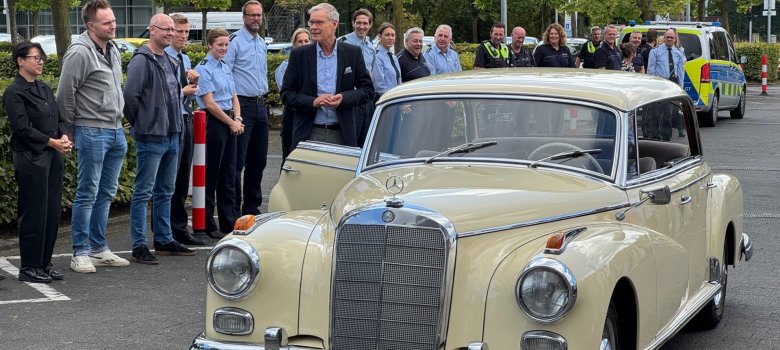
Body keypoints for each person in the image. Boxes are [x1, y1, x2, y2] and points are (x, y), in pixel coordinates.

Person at [57, 0, 129, 273]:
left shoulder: (113, 50)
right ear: (90, 26)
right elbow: (65, 94)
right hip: (91, 130)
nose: (113, 25)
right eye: (107, 22)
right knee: (87, 192)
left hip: (115, 130)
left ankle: (99, 248)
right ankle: (80, 252)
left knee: (107, 192)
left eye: (113, 20)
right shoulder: (79, 52)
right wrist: (70, 130)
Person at [124, 14, 195, 265]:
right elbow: (130, 97)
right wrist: (141, 121)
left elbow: (177, 95)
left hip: (173, 133)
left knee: (166, 190)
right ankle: (139, 244)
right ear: (151, 30)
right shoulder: (142, 60)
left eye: (173, 29)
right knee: (143, 192)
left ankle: (164, 240)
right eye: (167, 29)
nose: (171, 33)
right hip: (152, 135)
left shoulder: (169, 60)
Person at [3, 41, 71, 283]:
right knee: (34, 212)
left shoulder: (43, 88)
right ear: (21, 61)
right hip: (31, 157)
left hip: (52, 156)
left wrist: (64, 137)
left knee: (52, 211)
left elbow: (59, 117)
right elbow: (22, 128)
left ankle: (44, 263)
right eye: (36, 57)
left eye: (42, 57)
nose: (41, 61)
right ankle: (29, 266)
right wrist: (51, 142)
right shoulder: (14, 92)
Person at [281, 3, 374, 150]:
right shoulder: (300, 55)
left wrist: (343, 98)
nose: (313, 27)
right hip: (309, 132)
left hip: (342, 133)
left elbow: (367, 91)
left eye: (319, 22)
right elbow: (286, 94)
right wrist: (313, 101)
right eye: (311, 22)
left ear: (334, 24)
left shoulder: (352, 53)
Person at [195, 28, 243, 239]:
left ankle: (228, 221)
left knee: (229, 174)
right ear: (209, 45)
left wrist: (238, 119)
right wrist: (231, 122)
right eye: (219, 45)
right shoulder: (204, 69)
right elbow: (210, 103)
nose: (224, 48)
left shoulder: (225, 66)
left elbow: (234, 95)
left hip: (231, 120)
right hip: (215, 121)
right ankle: (207, 223)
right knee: (211, 174)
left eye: (226, 45)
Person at [224, 0, 269, 216]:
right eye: (251, 15)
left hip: (261, 105)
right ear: (244, 18)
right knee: (237, 162)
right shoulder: (235, 41)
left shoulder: (261, 42)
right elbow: (226, 73)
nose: (255, 19)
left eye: (258, 15)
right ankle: (233, 212)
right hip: (241, 105)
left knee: (258, 161)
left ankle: (252, 208)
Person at [166, 14, 203, 246]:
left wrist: (193, 82)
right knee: (169, 179)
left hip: (186, 118)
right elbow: (163, 93)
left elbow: (189, 90)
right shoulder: (163, 59)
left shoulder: (185, 59)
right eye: (179, 31)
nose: (182, 36)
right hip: (171, 120)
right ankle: (168, 229)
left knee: (182, 179)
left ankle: (179, 227)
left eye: (186, 32)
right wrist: (184, 91)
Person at [339, 8, 376, 146]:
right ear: (353, 23)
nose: (362, 26)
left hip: (366, 99)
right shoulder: (343, 43)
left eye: (365, 23)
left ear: (370, 25)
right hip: (351, 98)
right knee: (351, 140)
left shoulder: (371, 45)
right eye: (359, 23)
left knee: (365, 140)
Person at [276, 28, 311, 160]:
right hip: (293, 114)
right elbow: (287, 95)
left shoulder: (315, 65)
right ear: (294, 45)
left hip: (310, 115)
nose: (303, 44)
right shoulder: (285, 67)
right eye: (300, 41)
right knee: (290, 155)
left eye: (306, 41)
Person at [372, 22, 402, 97]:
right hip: (385, 100)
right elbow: (380, 87)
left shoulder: (393, 57)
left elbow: (399, 81)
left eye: (393, 35)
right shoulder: (377, 57)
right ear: (380, 37)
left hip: (396, 98)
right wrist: (396, 101)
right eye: (387, 35)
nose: (390, 38)